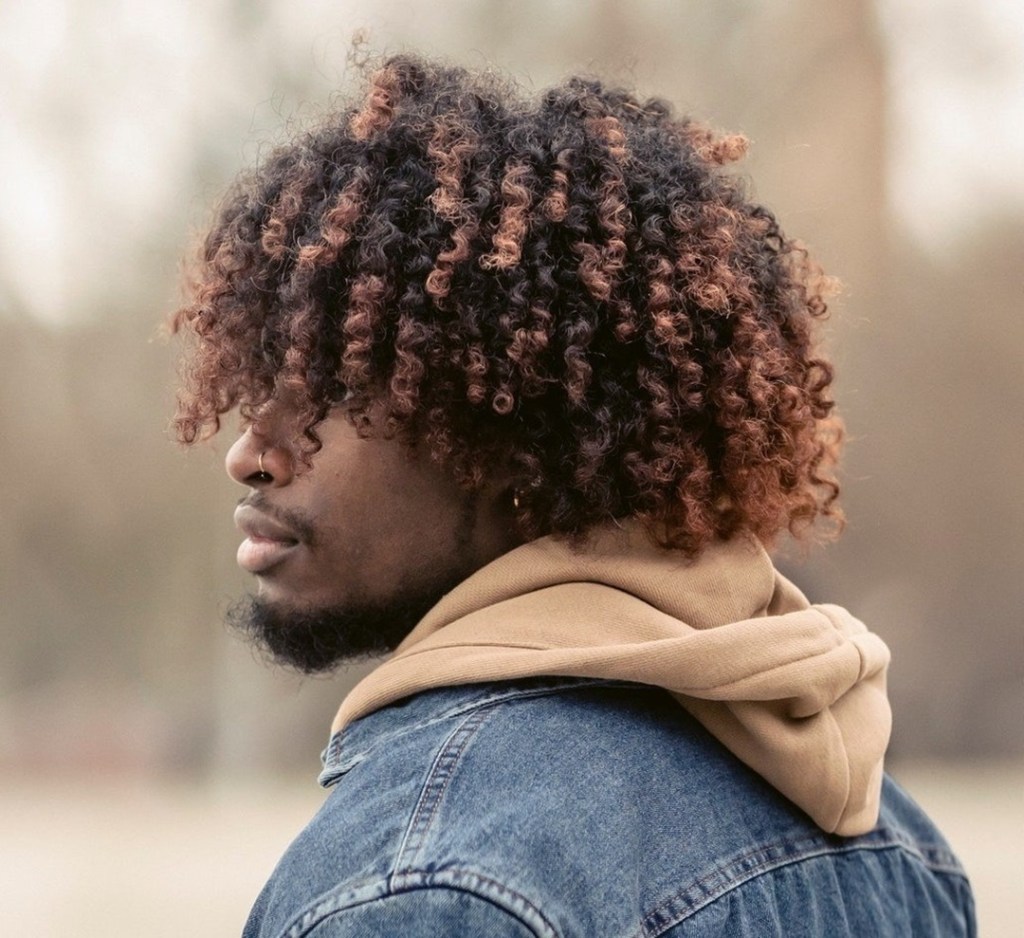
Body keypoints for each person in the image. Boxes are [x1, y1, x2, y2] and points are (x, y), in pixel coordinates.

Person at [170, 54, 975, 937]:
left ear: (519, 432)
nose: (250, 454)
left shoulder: (427, 884)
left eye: (331, 392)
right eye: (255, 389)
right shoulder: (898, 845)